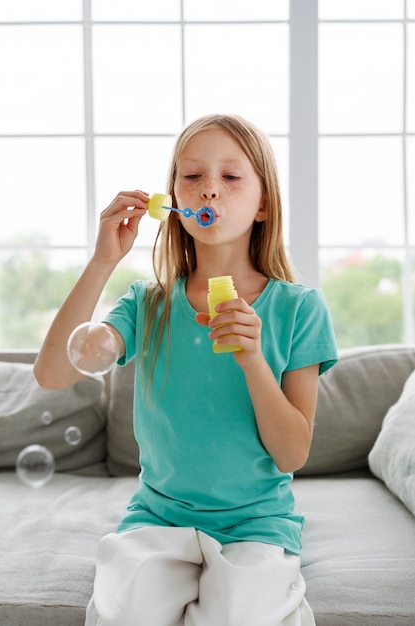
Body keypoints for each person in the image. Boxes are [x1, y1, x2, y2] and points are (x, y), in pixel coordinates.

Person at [34, 113, 338, 626]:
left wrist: (253, 360)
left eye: (232, 177)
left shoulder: (298, 308)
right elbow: (53, 375)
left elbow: (293, 452)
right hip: (157, 518)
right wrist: (103, 260)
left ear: (263, 204)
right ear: (173, 199)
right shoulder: (147, 304)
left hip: (256, 525)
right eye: (192, 176)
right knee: (122, 614)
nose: (209, 191)